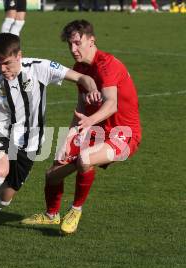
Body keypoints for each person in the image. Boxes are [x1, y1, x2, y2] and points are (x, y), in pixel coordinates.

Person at [0, 33, 99, 236]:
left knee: (4, 200)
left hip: (31, 143)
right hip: (1, 134)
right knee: (0, 171)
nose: (2, 69)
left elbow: (82, 77)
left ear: (19, 56)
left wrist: (92, 88)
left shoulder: (39, 67)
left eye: (7, 63)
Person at [21, 19, 141, 235]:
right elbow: (80, 109)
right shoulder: (79, 70)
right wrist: (69, 139)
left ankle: (75, 210)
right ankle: (51, 215)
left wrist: (89, 121)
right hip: (95, 130)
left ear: (91, 40)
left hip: (124, 134)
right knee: (52, 174)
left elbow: (111, 104)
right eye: (70, 45)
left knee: (85, 159)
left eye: (77, 43)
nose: (73, 49)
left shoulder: (107, 65)